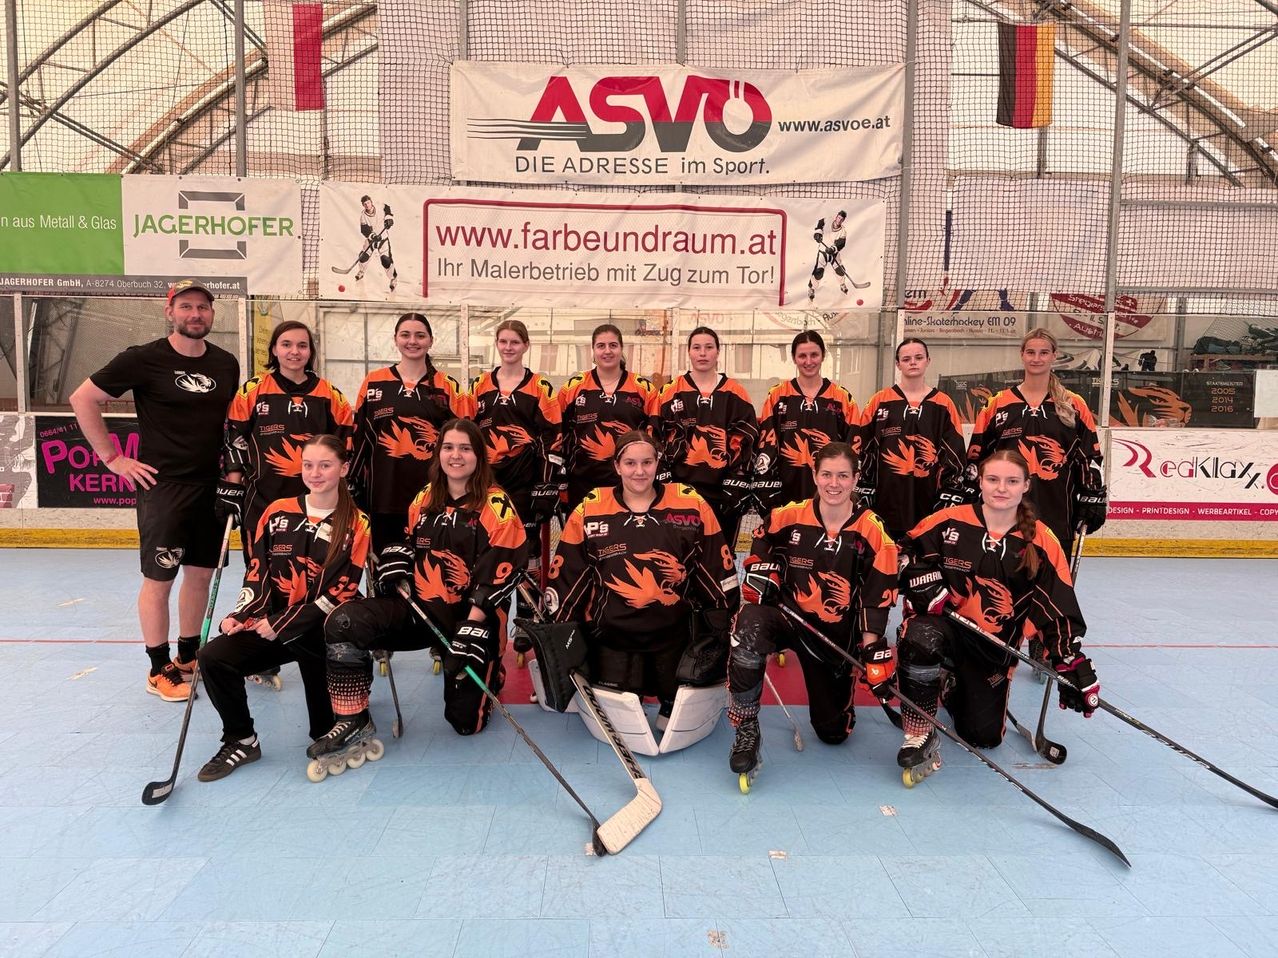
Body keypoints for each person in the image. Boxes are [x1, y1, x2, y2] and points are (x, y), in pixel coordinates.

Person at [68, 279, 239, 702]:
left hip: (211, 487)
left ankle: (187, 655)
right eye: (186, 306)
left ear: (212, 314)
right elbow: (82, 398)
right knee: (159, 578)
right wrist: (113, 459)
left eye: (202, 307)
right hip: (164, 488)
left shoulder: (226, 363)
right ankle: (158, 667)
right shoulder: (144, 359)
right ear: (170, 312)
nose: (195, 314)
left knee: (200, 575)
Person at [895, 450, 1098, 782]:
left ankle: (950, 685)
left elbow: (1057, 605)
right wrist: (920, 578)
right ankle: (919, 729)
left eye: (1011, 481)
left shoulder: (1042, 540)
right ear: (980, 480)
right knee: (921, 639)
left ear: (1025, 486)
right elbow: (901, 553)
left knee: (983, 737)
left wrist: (1069, 662)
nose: (1001, 488)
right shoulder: (949, 520)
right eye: (993, 479)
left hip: (993, 647)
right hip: (945, 626)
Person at [319, 419, 527, 740]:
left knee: (464, 724)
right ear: (438, 453)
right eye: (448, 447)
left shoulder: (496, 506)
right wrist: (397, 561)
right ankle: (353, 715)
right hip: (421, 614)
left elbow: (503, 571)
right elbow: (410, 544)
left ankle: (492, 669)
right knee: (344, 622)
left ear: (478, 456)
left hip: (470, 622)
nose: (455, 455)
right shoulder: (424, 499)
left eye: (465, 448)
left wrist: (473, 625)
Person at [194, 434, 371, 781]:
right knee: (213, 657)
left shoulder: (356, 523)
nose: (315, 473)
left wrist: (284, 622)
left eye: (325, 465)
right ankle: (241, 739)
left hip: (322, 629)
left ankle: (347, 719)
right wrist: (241, 615)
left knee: (321, 728)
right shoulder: (277, 512)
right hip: (272, 623)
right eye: (308, 465)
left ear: (344, 468)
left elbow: (342, 589)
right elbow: (257, 572)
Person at [727, 442, 898, 776]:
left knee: (833, 733)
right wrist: (762, 567)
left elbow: (877, 599)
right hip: (787, 616)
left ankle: (838, 706)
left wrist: (872, 650)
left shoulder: (874, 531)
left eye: (843, 476)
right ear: (815, 476)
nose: (834, 483)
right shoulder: (788, 515)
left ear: (856, 478)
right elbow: (760, 539)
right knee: (748, 624)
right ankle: (746, 727)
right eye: (827, 475)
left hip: (832, 637)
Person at [545, 431, 739, 723]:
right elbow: (570, 576)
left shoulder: (690, 503)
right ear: (617, 466)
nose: (639, 471)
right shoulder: (591, 507)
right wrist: (558, 635)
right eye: (631, 463)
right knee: (620, 717)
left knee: (671, 717)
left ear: (658, 462)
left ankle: (670, 696)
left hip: (674, 637)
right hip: (612, 636)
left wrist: (726, 619)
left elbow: (714, 567)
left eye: (647, 462)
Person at [960, 327, 1106, 556]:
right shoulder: (997, 405)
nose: (1036, 359)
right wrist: (969, 496)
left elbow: (1089, 458)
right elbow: (976, 459)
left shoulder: (1074, 405)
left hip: (1058, 514)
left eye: (1043, 353)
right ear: (1022, 354)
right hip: (1004, 516)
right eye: (1031, 352)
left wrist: (1093, 496)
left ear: (1054, 355)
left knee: (1053, 589)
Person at [220, 320, 354, 558]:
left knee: (311, 573)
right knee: (261, 575)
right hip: (261, 502)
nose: (295, 351)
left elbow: (346, 447)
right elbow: (234, 440)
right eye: (286, 344)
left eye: (302, 345)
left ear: (310, 351)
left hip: (317, 504)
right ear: (274, 349)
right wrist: (233, 484)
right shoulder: (252, 391)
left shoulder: (331, 396)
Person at [349, 312, 474, 553]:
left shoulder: (448, 386)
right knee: (387, 573)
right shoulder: (374, 382)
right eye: (405, 335)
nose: (412, 341)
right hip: (383, 497)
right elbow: (360, 438)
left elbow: (465, 444)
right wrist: (352, 484)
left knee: (429, 570)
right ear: (395, 339)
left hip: (433, 499)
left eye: (420, 335)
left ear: (431, 340)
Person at [471, 319, 563, 594]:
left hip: (525, 480)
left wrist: (546, 484)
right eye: (503, 341)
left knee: (528, 547)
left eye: (514, 342)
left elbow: (554, 436)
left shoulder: (540, 387)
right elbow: (467, 433)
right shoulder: (479, 385)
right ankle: (488, 610)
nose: (508, 347)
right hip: (487, 480)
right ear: (496, 344)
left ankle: (527, 621)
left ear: (525, 345)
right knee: (486, 541)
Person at [656, 326, 759, 550]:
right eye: (697, 348)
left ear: (718, 352)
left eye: (709, 347)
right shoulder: (670, 392)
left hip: (723, 494)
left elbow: (746, 439)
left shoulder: (735, 392)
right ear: (689, 353)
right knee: (679, 558)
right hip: (679, 492)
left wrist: (737, 484)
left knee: (719, 561)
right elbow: (656, 437)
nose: (703, 353)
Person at [856, 338, 965, 542]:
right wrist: (865, 487)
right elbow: (863, 449)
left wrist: (950, 491)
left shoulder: (943, 404)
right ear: (898, 364)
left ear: (928, 361)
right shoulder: (879, 401)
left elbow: (955, 454)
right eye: (906, 359)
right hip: (886, 501)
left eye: (918, 357)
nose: (912, 362)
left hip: (929, 502)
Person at [557, 323, 659, 514]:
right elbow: (557, 435)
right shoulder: (572, 388)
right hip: (582, 482)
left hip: (630, 483)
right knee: (582, 540)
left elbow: (655, 438)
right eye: (601, 346)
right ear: (593, 351)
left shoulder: (644, 389)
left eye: (613, 345)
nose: (607, 351)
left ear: (621, 349)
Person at [753, 330, 859, 512]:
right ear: (794, 358)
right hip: (786, 491)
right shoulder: (777, 395)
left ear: (823, 356)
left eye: (814, 355)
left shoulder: (842, 397)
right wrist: (765, 485)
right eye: (802, 355)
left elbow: (853, 447)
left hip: (830, 491)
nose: (808, 361)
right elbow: (767, 444)